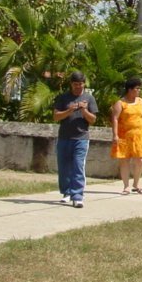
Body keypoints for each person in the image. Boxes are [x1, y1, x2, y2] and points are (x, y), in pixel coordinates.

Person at [53, 71, 98, 208]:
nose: (78, 86)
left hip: (81, 138)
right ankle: (66, 193)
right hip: (64, 137)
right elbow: (56, 117)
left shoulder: (89, 98)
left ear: (84, 84)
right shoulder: (63, 98)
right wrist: (69, 111)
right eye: (75, 84)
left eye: (80, 84)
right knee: (64, 167)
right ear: (71, 84)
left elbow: (93, 120)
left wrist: (84, 111)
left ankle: (77, 195)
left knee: (78, 166)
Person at [110, 77, 142, 195]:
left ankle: (136, 184)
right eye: (137, 88)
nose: (139, 91)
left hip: (139, 135)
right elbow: (115, 119)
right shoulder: (121, 103)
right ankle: (126, 186)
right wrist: (115, 134)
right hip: (124, 135)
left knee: (140, 160)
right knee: (125, 160)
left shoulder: (140, 102)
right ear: (130, 89)